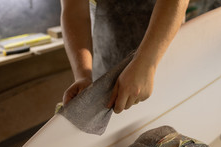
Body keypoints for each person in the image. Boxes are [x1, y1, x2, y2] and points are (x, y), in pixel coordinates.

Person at [60, 0, 190, 114]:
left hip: (164, 59)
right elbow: (75, 14)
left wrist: (146, 64)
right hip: (105, 65)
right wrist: (83, 75)